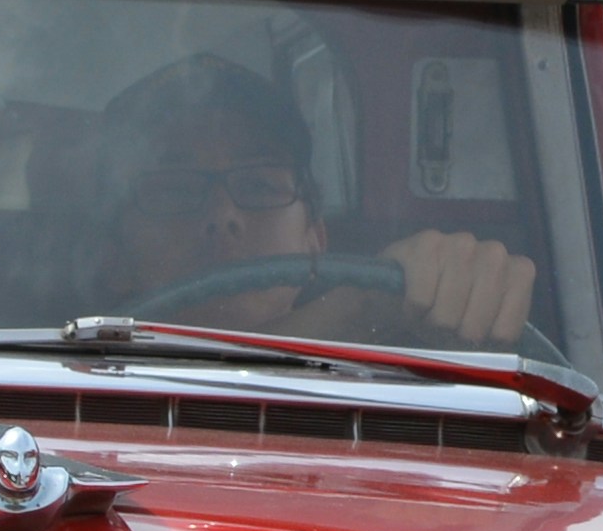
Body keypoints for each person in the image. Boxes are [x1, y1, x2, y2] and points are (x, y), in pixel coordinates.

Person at [85, 51, 538, 351]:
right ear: (112, 257)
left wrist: (459, 290)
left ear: (316, 238)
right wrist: (358, 310)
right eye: (176, 190)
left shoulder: (395, 390)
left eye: (260, 186)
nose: (223, 216)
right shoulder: (62, 388)